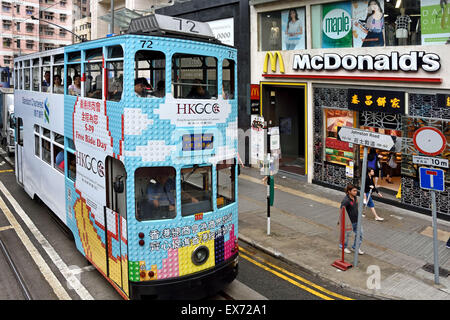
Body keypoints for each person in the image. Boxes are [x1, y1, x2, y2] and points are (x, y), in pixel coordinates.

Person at [339, 184, 364, 255]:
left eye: (356, 191)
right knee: (346, 235)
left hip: (357, 220)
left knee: (360, 234)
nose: (356, 192)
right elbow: (341, 210)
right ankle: (343, 247)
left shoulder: (355, 198)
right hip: (349, 222)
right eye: (354, 191)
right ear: (349, 191)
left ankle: (355, 247)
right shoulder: (346, 200)